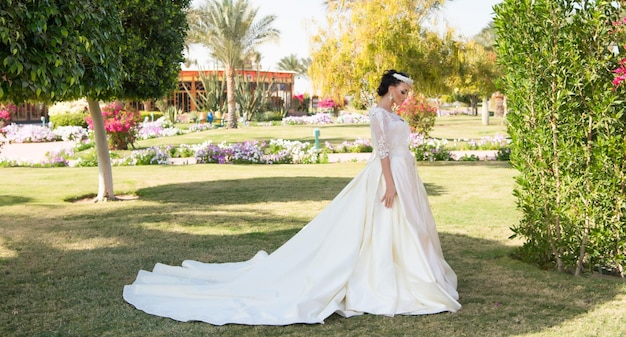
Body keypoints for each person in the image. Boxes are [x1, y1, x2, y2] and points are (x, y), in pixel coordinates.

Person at [123, 69, 461, 325]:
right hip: (389, 176)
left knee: (408, 227)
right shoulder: (378, 114)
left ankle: (414, 273)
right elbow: (382, 152)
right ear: (390, 88)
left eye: (407, 93)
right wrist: (389, 184)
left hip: (406, 174)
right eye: (403, 91)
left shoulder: (395, 114)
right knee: (383, 224)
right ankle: (385, 278)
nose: (406, 97)